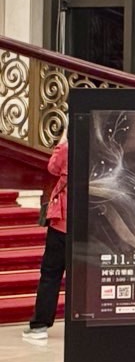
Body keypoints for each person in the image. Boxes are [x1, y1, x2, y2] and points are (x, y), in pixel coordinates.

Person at [20, 138, 68, 343]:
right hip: (89, 224)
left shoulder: (68, 147)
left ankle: (40, 325)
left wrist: (63, 141)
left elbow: (52, 167)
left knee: (51, 274)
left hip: (63, 223)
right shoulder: (101, 146)